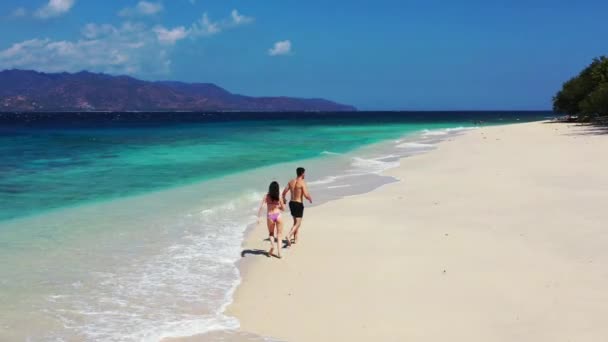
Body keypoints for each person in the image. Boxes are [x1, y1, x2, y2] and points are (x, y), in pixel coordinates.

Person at [282, 167, 312, 246]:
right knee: (298, 223)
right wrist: (310, 198)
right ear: (302, 173)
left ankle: (295, 238)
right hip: (298, 204)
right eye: (304, 173)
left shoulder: (291, 181)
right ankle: (289, 235)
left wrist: (284, 199)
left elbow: (284, 192)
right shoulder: (302, 182)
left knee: (295, 222)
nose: (305, 174)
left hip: (291, 203)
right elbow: (305, 195)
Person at [257, 181, 286, 258]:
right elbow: (283, 209)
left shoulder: (266, 196)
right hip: (278, 215)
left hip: (270, 216)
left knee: (271, 233)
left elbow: (261, 207)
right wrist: (278, 206)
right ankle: (279, 253)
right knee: (279, 235)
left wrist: (258, 217)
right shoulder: (279, 197)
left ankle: (272, 245)